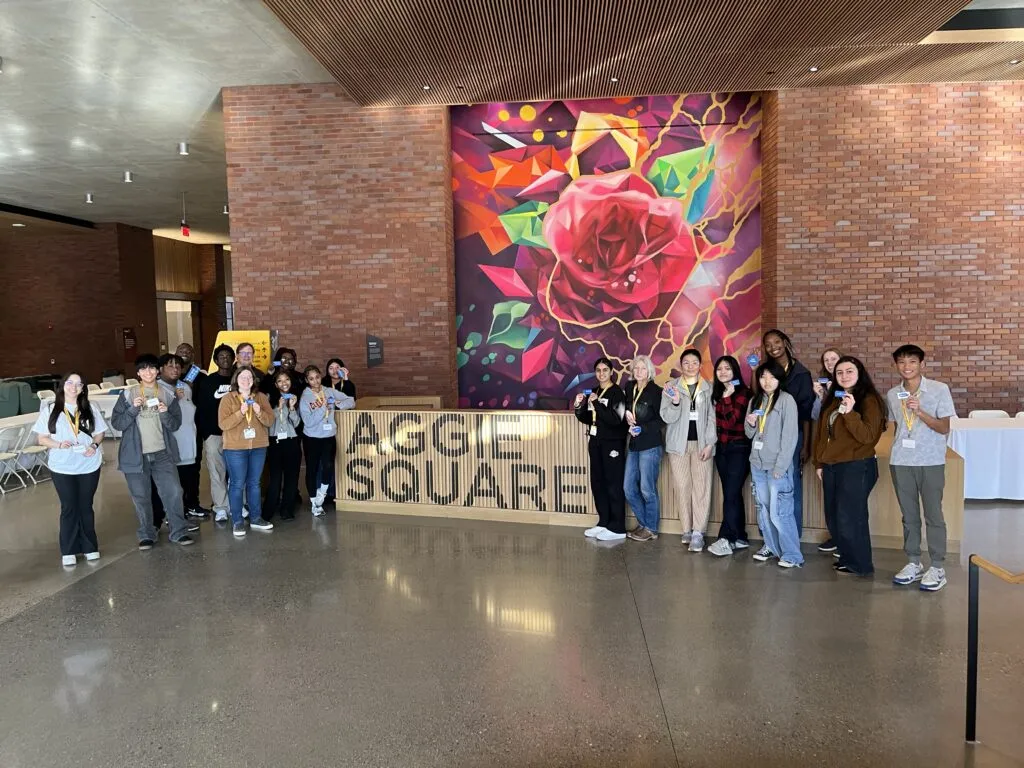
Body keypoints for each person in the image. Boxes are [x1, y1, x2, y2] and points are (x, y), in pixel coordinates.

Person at [887, 344, 956, 592]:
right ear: (896, 365)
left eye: (912, 362)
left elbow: (944, 427)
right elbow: (898, 428)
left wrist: (921, 412)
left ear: (922, 364)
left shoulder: (938, 390)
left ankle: (937, 566)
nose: (907, 367)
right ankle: (913, 562)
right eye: (902, 362)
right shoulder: (893, 394)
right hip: (901, 461)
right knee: (909, 516)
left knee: (933, 515)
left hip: (930, 461)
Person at [110, 354, 194, 549]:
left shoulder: (167, 393)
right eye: (143, 369)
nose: (148, 372)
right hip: (135, 455)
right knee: (141, 496)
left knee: (173, 491)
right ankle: (147, 534)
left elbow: (175, 424)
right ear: (138, 373)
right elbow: (117, 423)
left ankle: (178, 531)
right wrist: (132, 409)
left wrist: (164, 413)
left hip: (163, 453)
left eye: (152, 369)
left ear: (157, 371)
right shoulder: (127, 395)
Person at [813, 356, 886, 577]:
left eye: (849, 371)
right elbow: (823, 433)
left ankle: (861, 564)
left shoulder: (869, 399)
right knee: (834, 515)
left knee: (852, 517)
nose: (844, 376)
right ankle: (847, 557)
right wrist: (819, 462)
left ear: (859, 372)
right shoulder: (834, 398)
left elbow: (868, 437)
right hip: (832, 466)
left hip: (857, 466)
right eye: (839, 372)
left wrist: (851, 413)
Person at [32, 373, 107, 566]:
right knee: (69, 507)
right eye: (70, 383)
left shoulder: (90, 408)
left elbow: (99, 434)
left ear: (83, 388)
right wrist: (58, 445)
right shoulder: (51, 409)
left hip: (89, 465)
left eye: (78, 384)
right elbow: (42, 438)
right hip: (62, 466)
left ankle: (90, 547)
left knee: (86, 506)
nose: (74, 387)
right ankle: (69, 550)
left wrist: (94, 446)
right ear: (63, 385)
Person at [745, 360, 801, 568]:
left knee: (781, 512)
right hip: (757, 464)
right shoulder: (755, 400)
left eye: (772, 377)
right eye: (763, 377)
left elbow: (790, 438)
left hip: (777, 466)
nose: (767, 381)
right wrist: (750, 423)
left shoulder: (787, 401)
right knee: (764, 510)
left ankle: (792, 555)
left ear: (779, 379)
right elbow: (750, 433)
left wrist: (781, 466)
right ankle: (771, 546)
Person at [660, 349, 716, 552]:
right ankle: (686, 529)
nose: (690, 366)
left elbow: (712, 418)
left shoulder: (708, 388)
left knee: (701, 488)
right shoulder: (670, 388)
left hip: (702, 445)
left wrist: (710, 444)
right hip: (678, 445)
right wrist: (675, 402)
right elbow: (666, 416)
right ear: (680, 365)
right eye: (686, 363)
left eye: (694, 362)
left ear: (700, 365)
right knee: (682, 486)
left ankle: (698, 532)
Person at [761, 329, 814, 536]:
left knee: (790, 487)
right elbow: (758, 399)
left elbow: (807, 414)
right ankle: (772, 538)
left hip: (792, 439)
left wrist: (805, 445)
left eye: (777, 342)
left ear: (785, 342)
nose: (773, 347)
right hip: (769, 439)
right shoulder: (767, 372)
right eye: (768, 344)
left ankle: (793, 536)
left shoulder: (801, 374)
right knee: (770, 489)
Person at [573, 357, 628, 542]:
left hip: (612, 443)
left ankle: (617, 526)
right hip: (596, 441)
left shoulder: (617, 392)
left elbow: (616, 419)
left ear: (611, 372)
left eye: (605, 370)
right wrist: (579, 408)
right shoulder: (595, 391)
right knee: (598, 482)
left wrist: (596, 403)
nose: (601, 373)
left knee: (613, 483)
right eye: (598, 370)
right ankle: (604, 522)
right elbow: (591, 418)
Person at [217, 368, 275, 537]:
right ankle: (237, 521)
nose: (246, 380)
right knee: (237, 484)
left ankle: (256, 519)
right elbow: (223, 424)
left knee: (255, 483)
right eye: (242, 377)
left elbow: (270, 420)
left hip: (258, 446)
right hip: (235, 448)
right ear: (236, 379)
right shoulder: (228, 399)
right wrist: (240, 413)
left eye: (249, 377)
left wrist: (258, 411)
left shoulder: (261, 398)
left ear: (253, 380)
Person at [150, 354, 204, 528]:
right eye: (170, 366)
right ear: (160, 369)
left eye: (178, 367)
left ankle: (182, 516)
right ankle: (171, 519)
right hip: (171, 447)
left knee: (187, 483)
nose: (175, 370)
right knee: (173, 487)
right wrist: (174, 398)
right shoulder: (157, 389)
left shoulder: (184, 387)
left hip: (188, 443)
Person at [707, 355, 752, 557]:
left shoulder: (743, 393)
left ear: (735, 371)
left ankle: (727, 538)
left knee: (731, 495)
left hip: (739, 449)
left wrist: (727, 398)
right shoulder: (717, 392)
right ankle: (740, 536)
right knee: (731, 494)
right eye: (719, 369)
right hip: (722, 450)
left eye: (727, 368)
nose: (723, 372)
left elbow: (731, 422)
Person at [300, 364, 355, 516]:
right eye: (311, 379)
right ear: (307, 380)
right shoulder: (305, 397)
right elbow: (309, 421)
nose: (315, 381)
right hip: (312, 438)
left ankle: (321, 496)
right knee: (312, 469)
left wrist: (337, 405)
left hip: (329, 436)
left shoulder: (328, 391)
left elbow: (351, 401)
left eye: (317, 377)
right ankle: (313, 502)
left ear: (320, 376)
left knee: (328, 466)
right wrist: (323, 409)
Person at [622, 355, 664, 542]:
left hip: (650, 445)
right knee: (628, 487)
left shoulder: (656, 391)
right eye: (636, 368)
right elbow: (625, 409)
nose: (639, 372)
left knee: (647, 489)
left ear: (650, 371)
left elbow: (662, 419)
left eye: (643, 368)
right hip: (634, 443)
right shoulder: (629, 387)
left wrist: (643, 428)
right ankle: (645, 523)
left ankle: (651, 529)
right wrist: (628, 418)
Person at [195, 344, 236, 522]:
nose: (225, 359)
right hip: (214, 434)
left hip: (236, 435)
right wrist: (206, 434)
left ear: (233, 359)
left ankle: (237, 505)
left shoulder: (238, 380)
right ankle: (220, 507)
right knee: (217, 472)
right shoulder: (208, 382)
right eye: (221, 356)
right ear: (216, 360)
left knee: (237, 473)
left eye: (228, 356)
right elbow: (201, 409)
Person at [263, 369, 302, 521]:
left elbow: (297, 424)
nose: (284, 383)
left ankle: (287, 509)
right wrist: (278, 408)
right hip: (275, 443)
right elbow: (268, 422)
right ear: (275, 384)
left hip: (292, 442)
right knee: (275, 479)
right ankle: (268, 511)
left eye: (286, 380)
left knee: (292, 478)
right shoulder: (268, 398)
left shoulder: (295, 398)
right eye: (280, 380)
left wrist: (291, 408)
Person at [811, 347, 842, 422]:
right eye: (826, 360)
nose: (829, 363)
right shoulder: (822, 383)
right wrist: (819, 397)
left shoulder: (849, 381)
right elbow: (815, 416)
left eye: (833, 359)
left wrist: (834, 393)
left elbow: (844, 411)